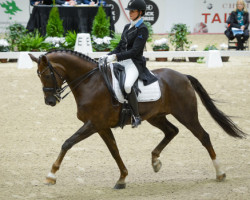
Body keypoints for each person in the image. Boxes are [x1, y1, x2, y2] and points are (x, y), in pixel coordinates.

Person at [103, 0, 157, 128]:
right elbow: (120, 46)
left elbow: (134, 51)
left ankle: (136, 116)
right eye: (130, 11)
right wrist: (108, 55)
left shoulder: (143, 29)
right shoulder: (127, 27)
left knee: (127, 86)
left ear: (140, 12)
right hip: (122, 61)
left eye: (133, 11)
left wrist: (116, 57)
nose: (130, 13)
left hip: (134, 63)